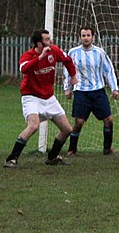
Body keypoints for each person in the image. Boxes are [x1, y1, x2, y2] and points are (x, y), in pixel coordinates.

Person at [5, 30, 78, 167]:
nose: (51, 41)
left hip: (49, 97)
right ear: (39, 43)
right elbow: (24, 69)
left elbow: (68, 61)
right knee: (33, 126)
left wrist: (73, 76)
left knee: (67, 129)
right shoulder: (28, 55)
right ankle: (11, 158)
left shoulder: (54, 50)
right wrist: (40, 58)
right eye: (47, 39)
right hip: (31, 96)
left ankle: (52, 157)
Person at [64, 26, 119, 156]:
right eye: (83, 36)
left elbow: (108, 70)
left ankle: (107, 149)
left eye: (88, 35)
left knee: (108, 120)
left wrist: (114, 88)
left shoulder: (100, 52)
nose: (86, 38)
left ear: (93, 37)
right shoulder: (73, 52)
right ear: (80, 37)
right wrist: (67, 88)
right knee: (79, 122)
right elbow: (67, 71)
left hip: (98, 91)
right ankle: (72, 149)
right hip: (81, 92)